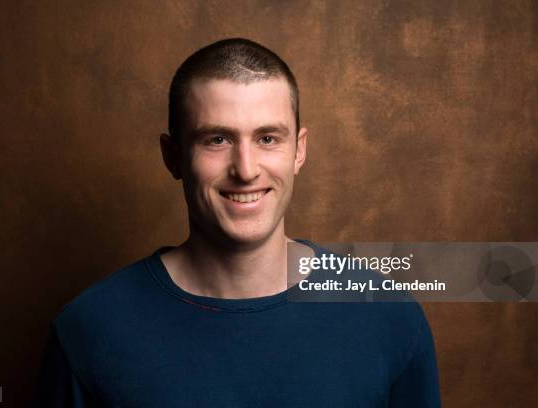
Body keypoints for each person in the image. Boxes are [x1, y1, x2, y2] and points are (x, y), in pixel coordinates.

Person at [35, 38, 441, 407]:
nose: (246, 170)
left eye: (267, 138)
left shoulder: (388, 316)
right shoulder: (89, 331)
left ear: (298, 151)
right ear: (173, 157)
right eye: (217, 139)